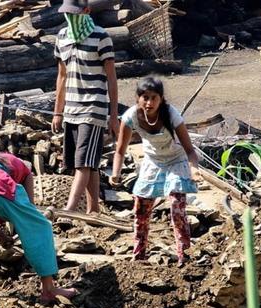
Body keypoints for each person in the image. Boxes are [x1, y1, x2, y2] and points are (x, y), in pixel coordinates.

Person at [0, 148, 77, 303]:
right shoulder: (17, 164)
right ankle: (49, 289)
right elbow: (28, 184)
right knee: (41, 227)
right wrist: (31, 215)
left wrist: (2, 237)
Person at [109, 77, 202, 265]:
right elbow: (120, 149)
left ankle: (185, 254)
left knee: (177, 205)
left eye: (154, 98)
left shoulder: (171, 115)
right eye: (145, 97)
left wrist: (194, 170)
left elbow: (190, 150)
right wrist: (115, 173)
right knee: (141, 208)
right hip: (153, 161)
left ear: (161, 99)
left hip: (176, 160)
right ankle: (139, 255)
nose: (149, 103)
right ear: (138, 98)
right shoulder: (130, 117)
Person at [52, 0, 120, 214]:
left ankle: (70, 209)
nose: (71, 18)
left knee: (83, 161)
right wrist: (57, 111)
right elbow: (61, 76)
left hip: (94, 108)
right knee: (86, 162)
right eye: (68, 14)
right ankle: (94, 209)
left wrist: (114, 115)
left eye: (75, 13)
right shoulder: (62, 37)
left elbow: (111, 78)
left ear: (87, 11)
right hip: (71, 108)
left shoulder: (101, 37)